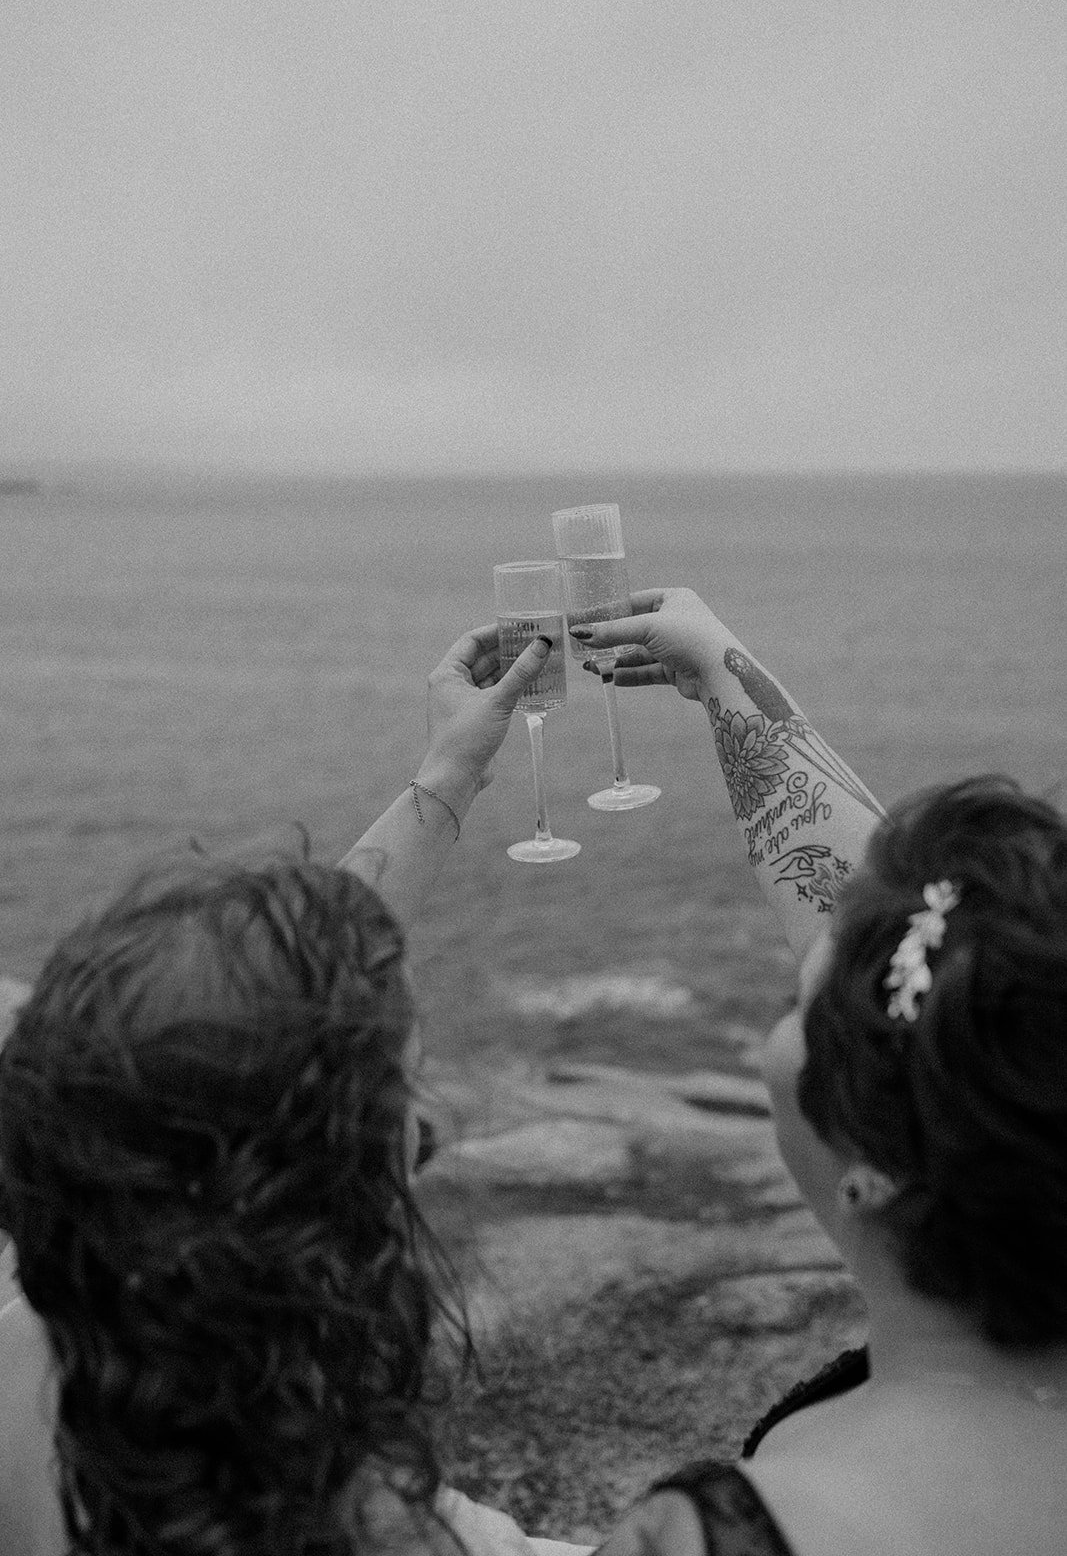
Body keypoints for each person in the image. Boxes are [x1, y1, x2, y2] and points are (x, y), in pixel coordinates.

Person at [0, 625, 593, 1556]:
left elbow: (254, 1035)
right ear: (350, 1176)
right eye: (407, 1096)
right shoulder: (375, 1532)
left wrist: (448, 772)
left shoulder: (32, 1339)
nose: (428, 1114)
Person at [566, 589, 1067, 1556]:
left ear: (874, 1166)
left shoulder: (721, 1538)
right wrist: (724, 675)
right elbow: (942, 984)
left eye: (797, 1005)